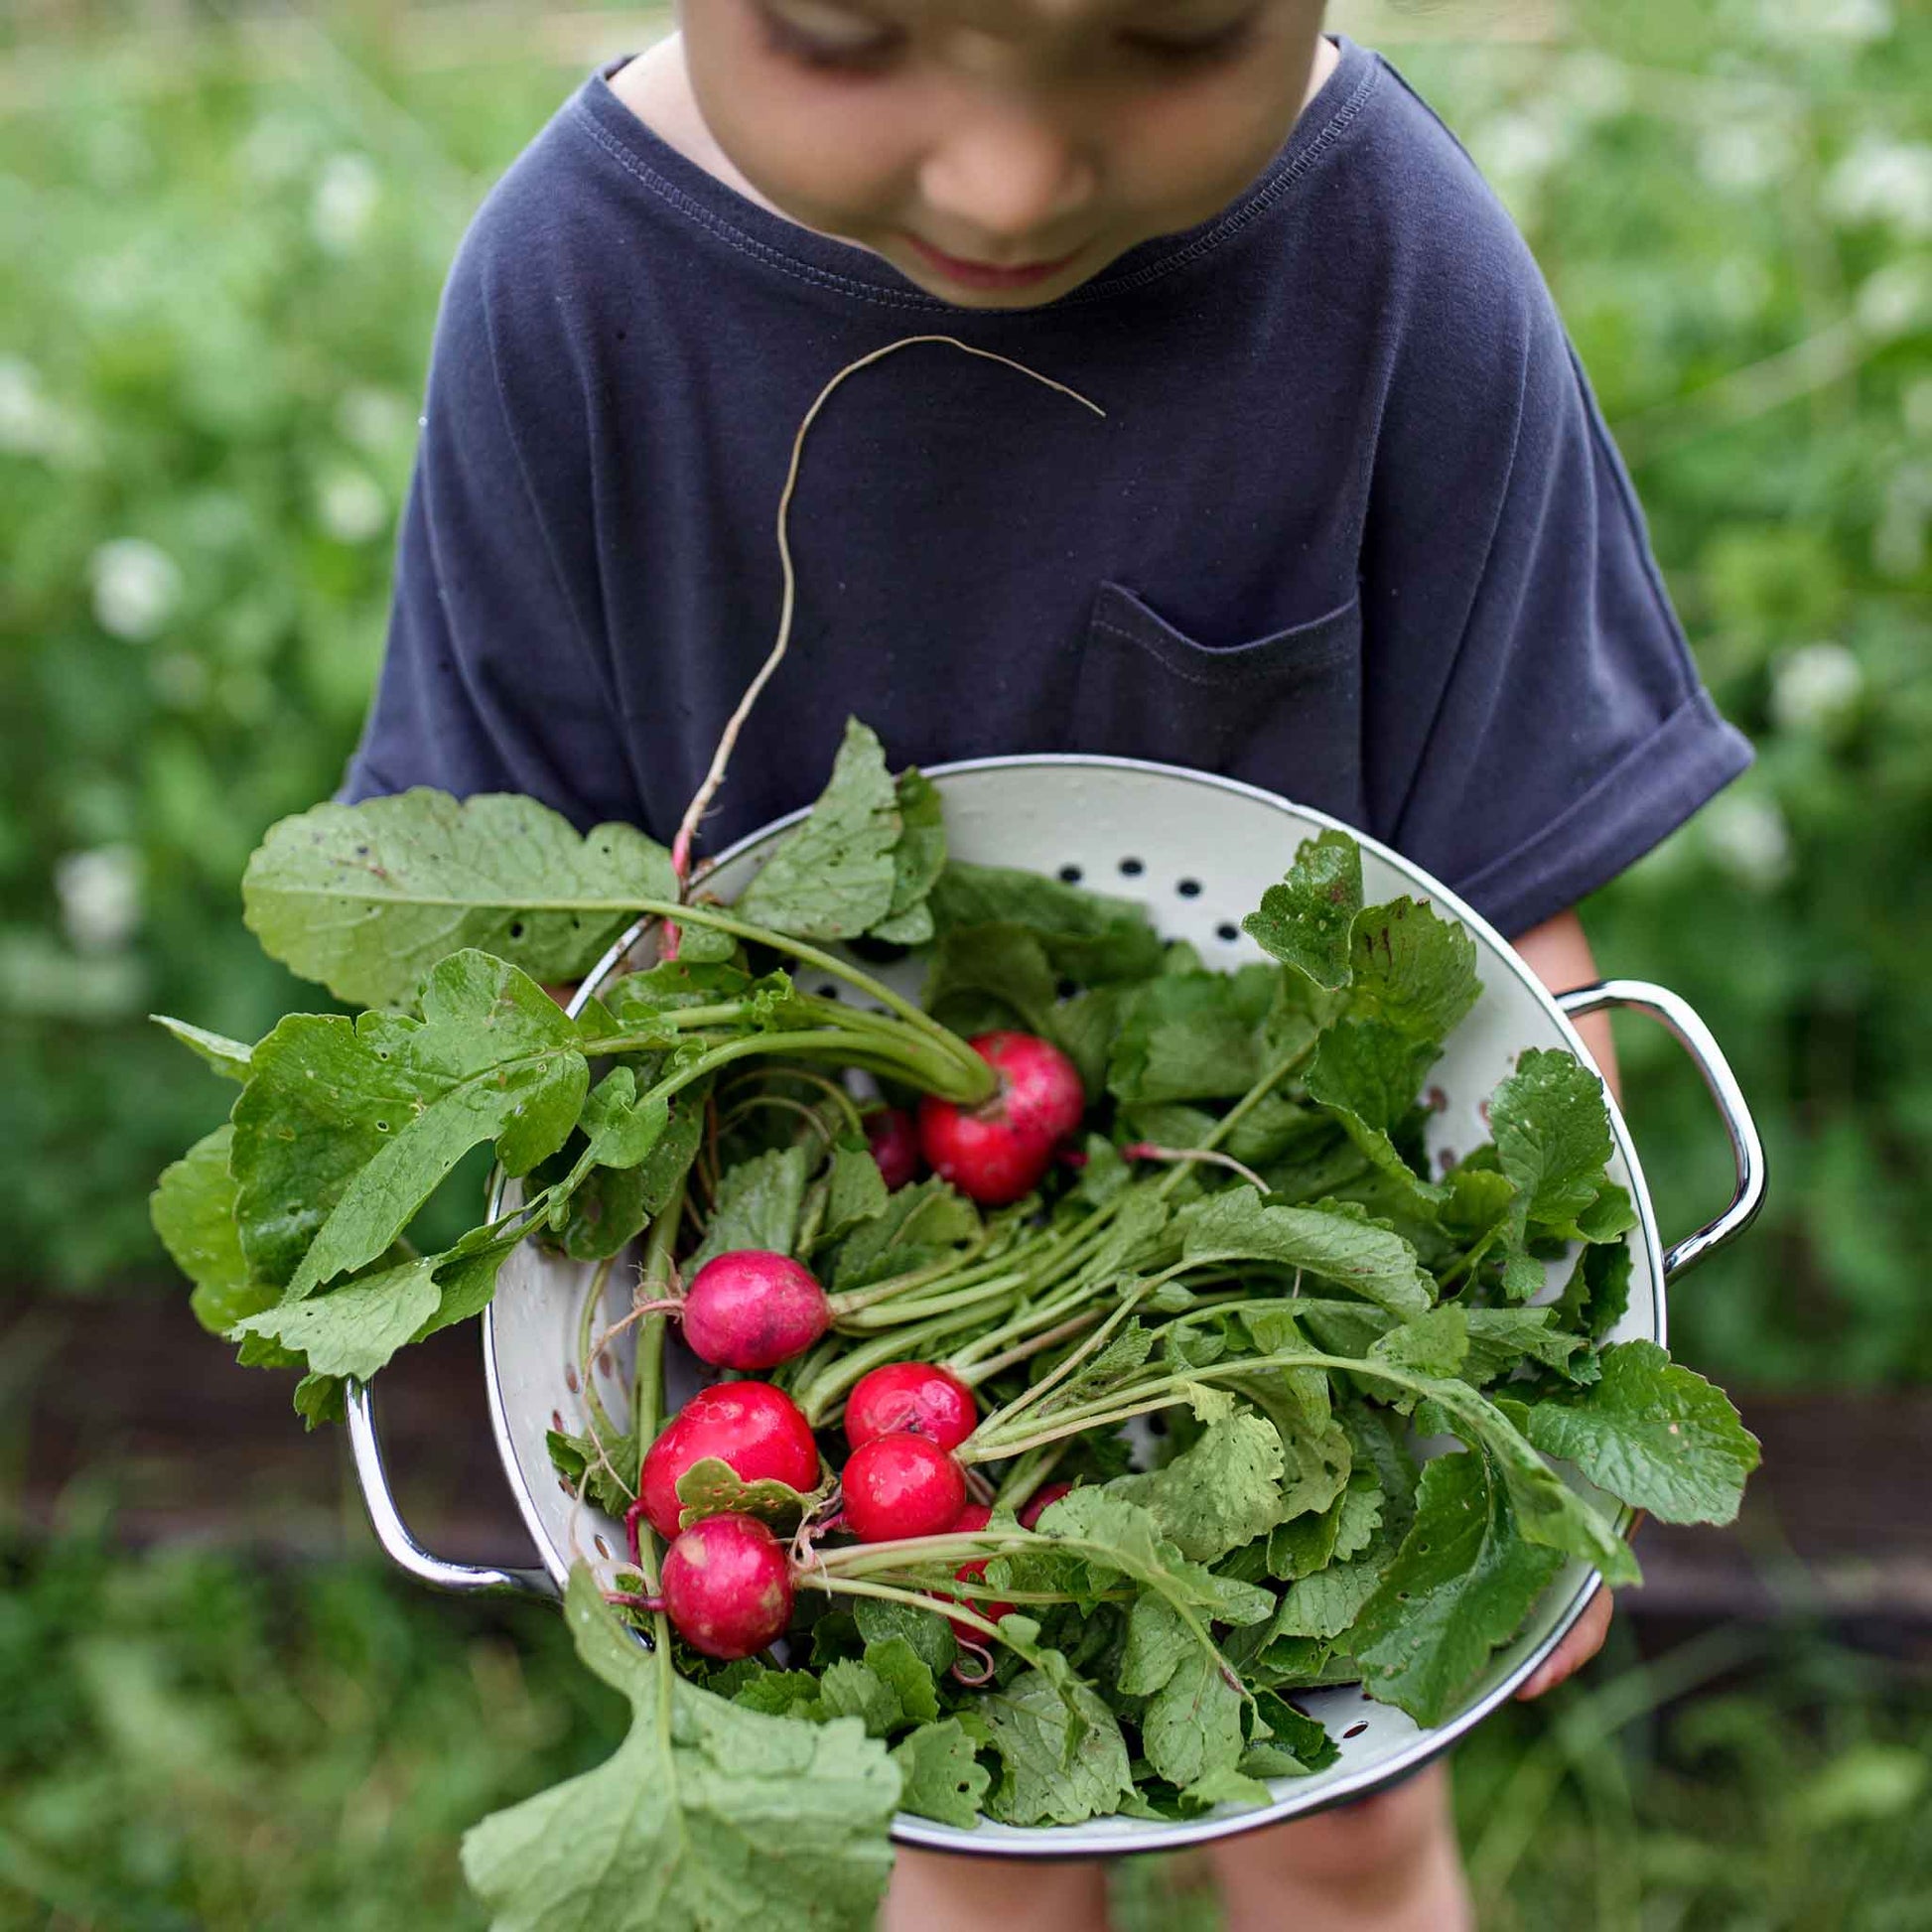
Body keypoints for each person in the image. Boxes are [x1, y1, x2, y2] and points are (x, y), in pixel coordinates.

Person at [343, 3, 1751, 1925]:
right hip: (788, 1311)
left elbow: (1506, 918)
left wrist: (1562, 1424)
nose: (1007, 178)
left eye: (1172, 37)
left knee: (1345, 1814)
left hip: (1289, 1264)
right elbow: (488, 922)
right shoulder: (574, 291)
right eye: (844, 36)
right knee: (954, 1812)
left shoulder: (1396, 270)